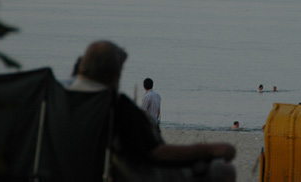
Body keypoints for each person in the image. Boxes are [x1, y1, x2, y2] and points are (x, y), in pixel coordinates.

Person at [68, 40, 236, 181]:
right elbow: (156, 154)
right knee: (223, 170)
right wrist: (208, 149)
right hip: (138, 172)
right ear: (114, 75)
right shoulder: (116, 106)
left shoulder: (59, 102)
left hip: (74, 169)